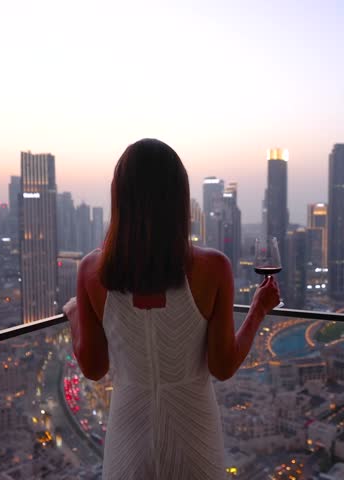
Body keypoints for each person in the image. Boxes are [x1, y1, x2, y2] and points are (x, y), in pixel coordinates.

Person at [62, 138, 281, 479]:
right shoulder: (213, 267)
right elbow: (222, 367)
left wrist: (75, 313)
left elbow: (93, 367)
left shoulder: (91, 270)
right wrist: (258, 311)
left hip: (128, 437)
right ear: (180, 198)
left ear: (119, 196)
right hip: (194, 435)